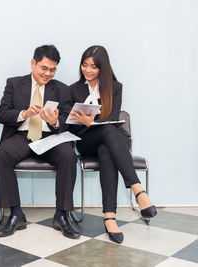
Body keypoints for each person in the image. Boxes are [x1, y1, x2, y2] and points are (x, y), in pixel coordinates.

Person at [68, 45, 157, 244]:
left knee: (106, 149)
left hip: (114, 141)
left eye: (93, 66)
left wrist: (94, 122)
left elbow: (114, 117)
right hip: (86, 140)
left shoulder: (115, 87)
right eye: (84, 65)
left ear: (103, 68)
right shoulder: (73, 89)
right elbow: (71, 127)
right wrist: (87, 124)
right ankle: (138, 191)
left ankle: (110, 217)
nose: (88, 70)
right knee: (107, 132)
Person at [0, 45, 80, 239]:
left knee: (68, 156)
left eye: (52, 69)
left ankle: (62, 214)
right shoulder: (14, 84)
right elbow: (2, 114)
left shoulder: (62, 89)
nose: (48, 73)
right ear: (33, 63)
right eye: (44, 68)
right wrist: (24, 113)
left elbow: (68, 121)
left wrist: (55, 121)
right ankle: (16, 213)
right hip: (21, 137)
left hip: (50, 138)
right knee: (0, 155)